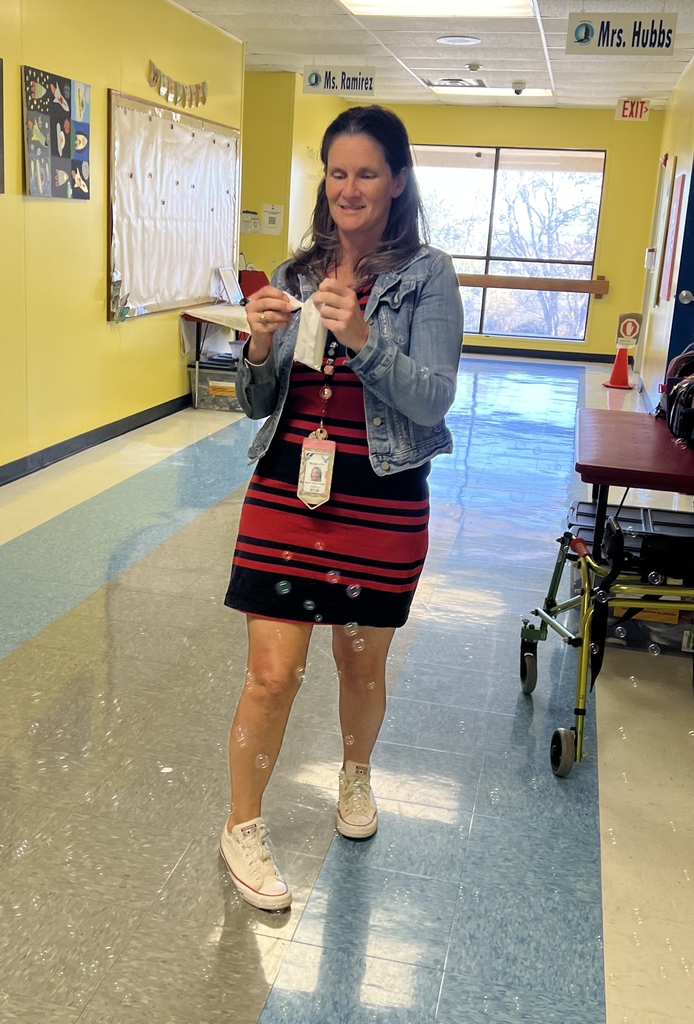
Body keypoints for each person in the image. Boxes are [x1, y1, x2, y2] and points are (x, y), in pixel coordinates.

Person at [219, 105, 464, 911]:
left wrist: (363, 337)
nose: (349, 188)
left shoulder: (429, 276)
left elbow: (431, 402)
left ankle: (355, 777)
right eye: (337, 173)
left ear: (397, 182)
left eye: (366, 173)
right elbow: (259, 403)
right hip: (288, 490)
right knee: (270, 674)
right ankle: (243, 827)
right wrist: (255, 347)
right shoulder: (295, 275)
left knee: (361, 662)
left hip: (381, 500)